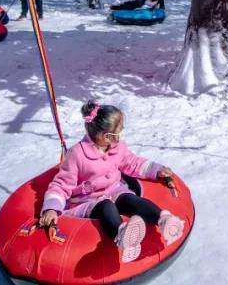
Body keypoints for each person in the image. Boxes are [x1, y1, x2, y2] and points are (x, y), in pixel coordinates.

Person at [38, 100, 187, 263]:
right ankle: (122, 235)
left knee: (130, 198)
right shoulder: (76, 155)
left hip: (114, 190)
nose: (120, 136)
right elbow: (61, 185)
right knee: (106, 206)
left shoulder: (117, 147)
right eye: (118, 132)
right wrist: (52, 208)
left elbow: (132, 163)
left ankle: (163, 219)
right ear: (106, 136)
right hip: (86, 201)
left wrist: (155, 170)